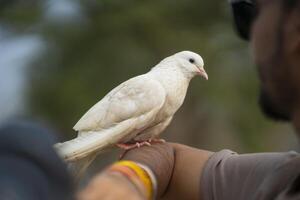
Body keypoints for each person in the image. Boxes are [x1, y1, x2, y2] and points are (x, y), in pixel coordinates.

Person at [78, 0, 300, 200]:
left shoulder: (277, 177)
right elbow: (171, 160)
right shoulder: (283, 178)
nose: (248, 36)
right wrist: (129, 177)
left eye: (253, 14)